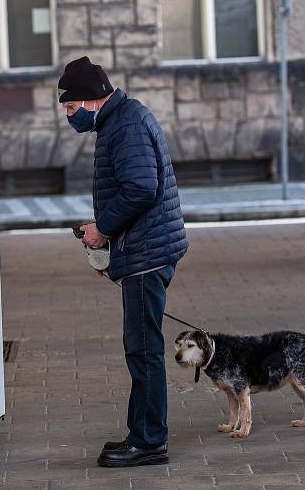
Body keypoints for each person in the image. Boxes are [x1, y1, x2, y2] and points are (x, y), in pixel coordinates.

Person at [58, 56, 188, 468]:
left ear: (94, 99)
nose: (70, 116)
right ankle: (142, 434)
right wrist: (106, 244)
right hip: (142, 249)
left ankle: (149, 441)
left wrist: (104, 231)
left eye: (71, 107)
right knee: (140, 347)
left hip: (147, 254)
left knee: (144, 349)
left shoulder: (127, 125)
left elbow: (139, 189)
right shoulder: (119, 121)